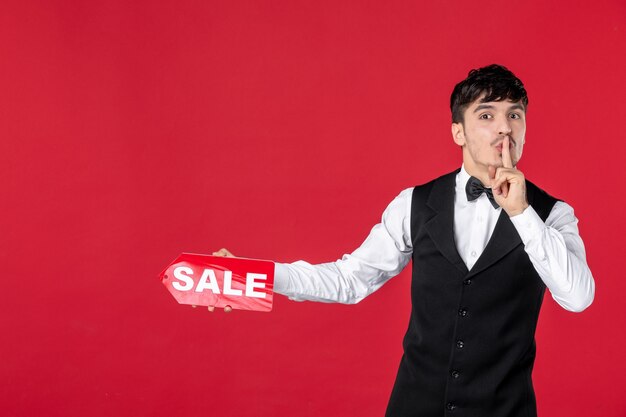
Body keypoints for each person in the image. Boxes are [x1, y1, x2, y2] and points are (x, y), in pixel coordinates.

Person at [212, 64, 595, 416]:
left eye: (514, 115)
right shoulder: (415, 203)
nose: (504, 128)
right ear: (457, 132)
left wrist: (521, 213)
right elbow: (350, 280)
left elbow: (578, 297)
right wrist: (252, 277)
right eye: (486, 115)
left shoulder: (552, 215)